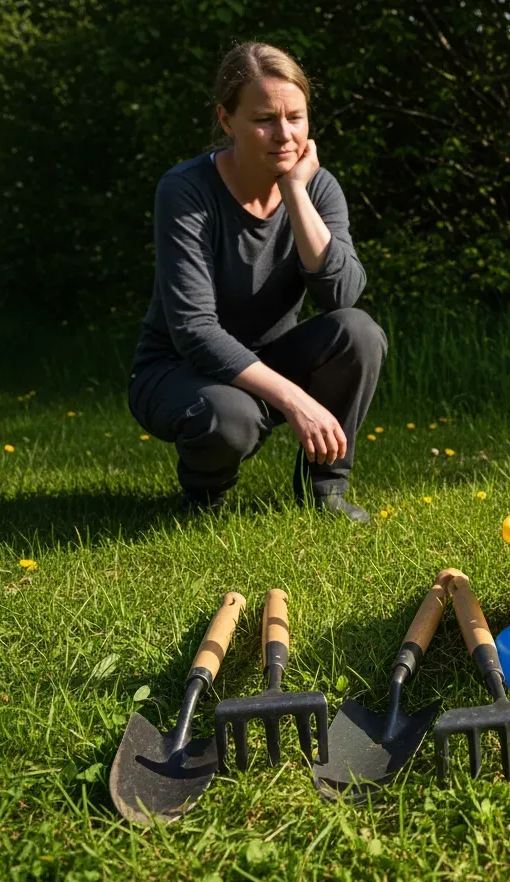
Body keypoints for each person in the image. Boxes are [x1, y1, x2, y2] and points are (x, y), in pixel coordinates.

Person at [128, 42, 383, 523]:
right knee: (231, 415)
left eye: (296, 117)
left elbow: (342, 295)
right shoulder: (185, 190)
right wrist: (295, 400)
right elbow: (194, 331)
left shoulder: (317, 186)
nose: (283, 135)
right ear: (226, 121)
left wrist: (294, 191)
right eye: (264, 118)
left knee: (359, 331)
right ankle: (205, 496)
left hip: (267, 359)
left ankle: (324, 491)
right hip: (178, 369)